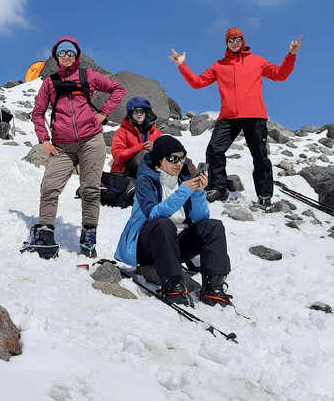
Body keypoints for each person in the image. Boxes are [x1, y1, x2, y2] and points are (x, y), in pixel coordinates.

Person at [171, 28, 301, 206]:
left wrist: (291, 55)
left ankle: (264, 196)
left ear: (243, 40)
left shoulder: (257, 61)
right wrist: (181, 65)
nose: (234, 42)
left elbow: (280, 75)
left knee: (260, 155)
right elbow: (197, 83)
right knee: (214, 150)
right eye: (230, 40)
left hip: (254, 115)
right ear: (226, 43)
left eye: (237, 39)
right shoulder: (219, 65)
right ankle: (218, 188)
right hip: (229, 116)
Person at [28, 38, 126, 259]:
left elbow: (118, 89)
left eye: (71, 53)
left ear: (77, 55)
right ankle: (45, 231)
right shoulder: (50, 83)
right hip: (62, 145)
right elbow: (38, 112)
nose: (66, 57)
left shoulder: (88, 76)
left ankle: (89, 235)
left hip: (91, 140)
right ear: (56, 56)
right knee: (49, 186)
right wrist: (44, 139)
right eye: (62, 53)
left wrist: (103, 113)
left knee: (90, 190)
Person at [114, 137, 231, 307]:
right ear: (159, 160)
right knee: (163, 223)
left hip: (174, 245)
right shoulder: (145, 180)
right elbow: (154, 214)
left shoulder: (184, 181)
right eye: (172, 159)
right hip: (149, 243)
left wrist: (198, 192)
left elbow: (200, 219)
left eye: (182, 158)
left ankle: (213, 288)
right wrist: (185, 191)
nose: (178, 164)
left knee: (213, 226)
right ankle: (171, 284)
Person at [110, 96, 163, 177]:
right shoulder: (122, 131)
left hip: (152, 169)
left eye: (141, 111)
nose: (139, 114)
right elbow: (118, 157)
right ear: (130, 114)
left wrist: (154, 149)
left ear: (146, 112)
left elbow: (165, 153)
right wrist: (141, 147)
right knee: (144, 154)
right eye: (135, 111)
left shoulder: (157, 133)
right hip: (125, 171)